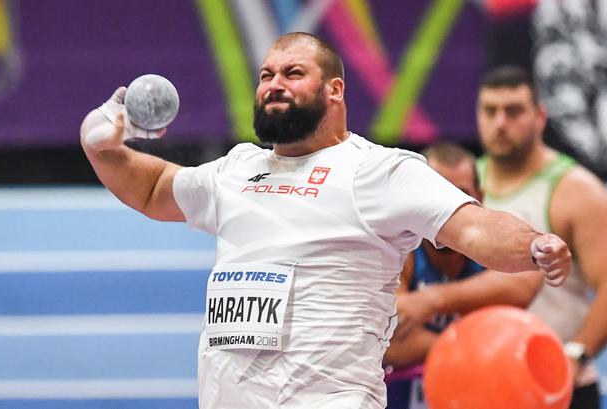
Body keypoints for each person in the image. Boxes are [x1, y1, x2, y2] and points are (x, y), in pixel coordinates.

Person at [80, 33, 572, 409]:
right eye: (266, 74)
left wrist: (534, 245)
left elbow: (472, 227)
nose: (274, 84)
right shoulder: (237, 168)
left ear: (335, 90)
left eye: (293, 73)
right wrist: (99, 146)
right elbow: (150, 189)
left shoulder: (379, 170)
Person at [477, 65, 607, 409]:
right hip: (481, 380)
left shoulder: (577, 190)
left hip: (559, 385)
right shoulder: (461, 186)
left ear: (541, 116)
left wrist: (576, 353)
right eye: (490, 111)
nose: (500, 123)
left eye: (514, 111)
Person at [382, 143, 543, 409]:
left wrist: (432, 300)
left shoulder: (500, 237)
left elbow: (526, 280)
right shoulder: (397, 245)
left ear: (479, 197)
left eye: (460, 195)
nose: (445, 208)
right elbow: (388, 342)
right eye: (436, 193)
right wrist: (473, 351)